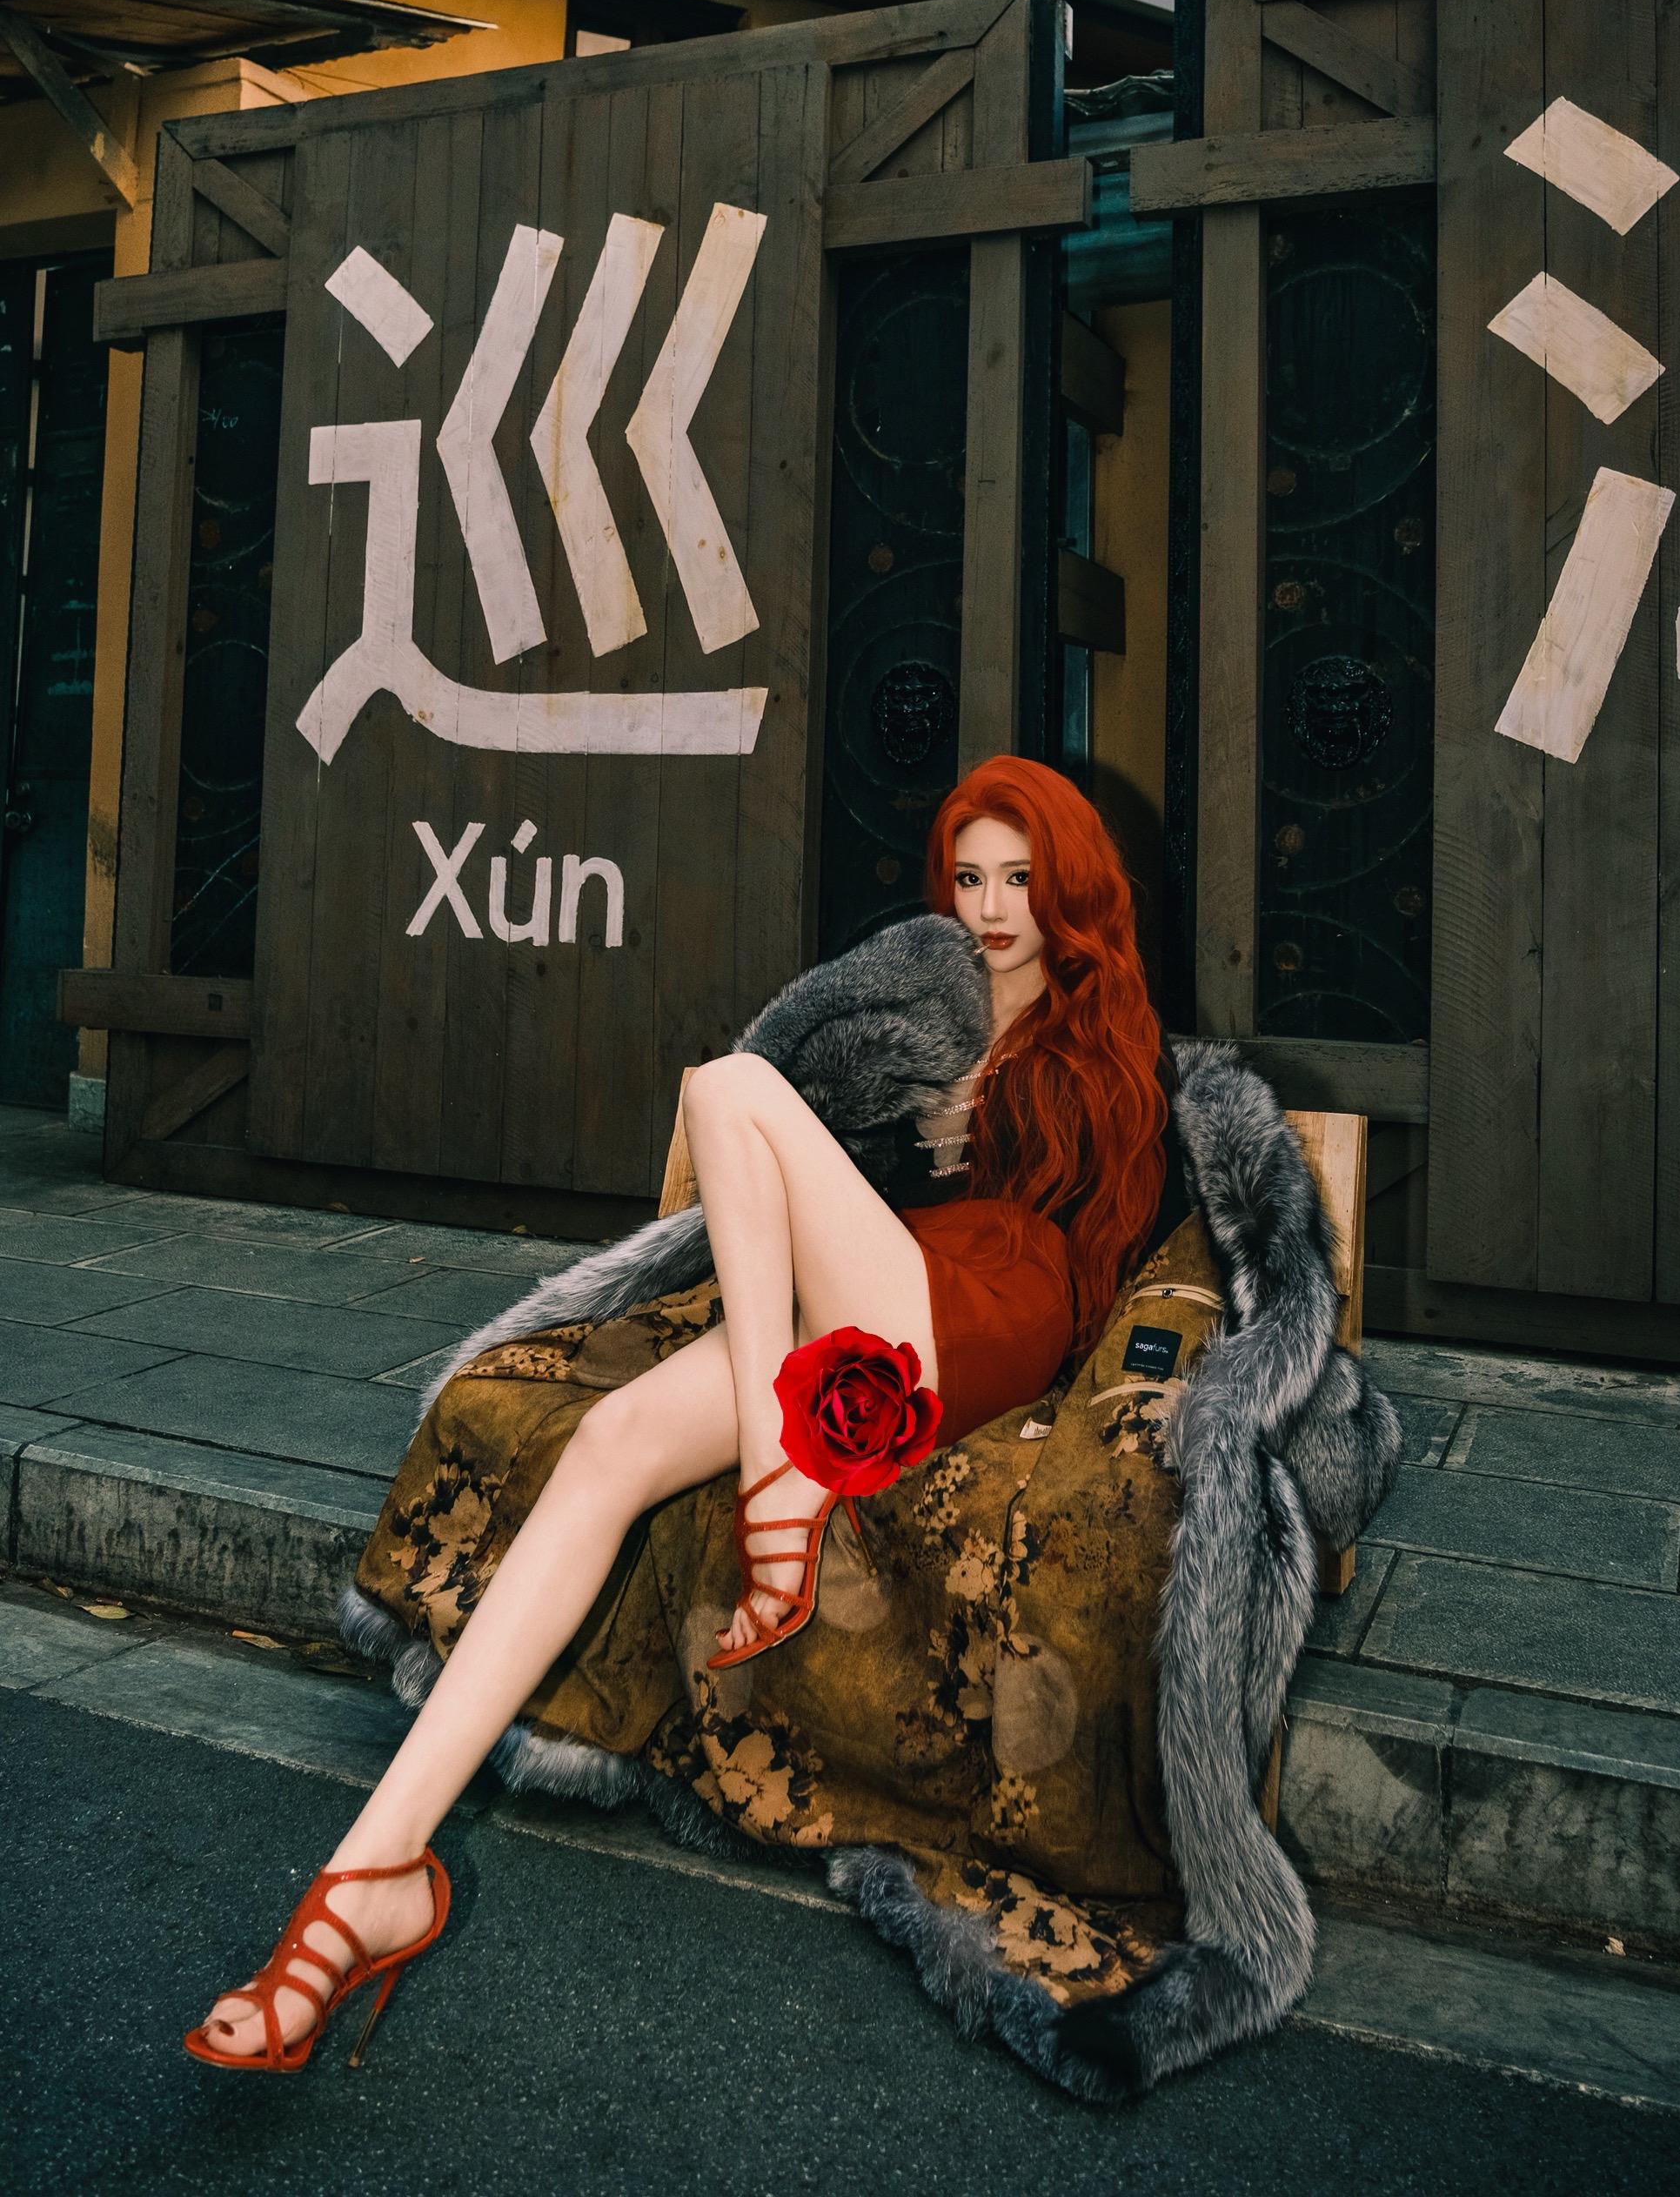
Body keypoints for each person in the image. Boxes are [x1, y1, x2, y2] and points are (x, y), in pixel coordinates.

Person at [184, 754, 1190, 2073]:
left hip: (988, 1308)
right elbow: (795, 1171)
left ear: (1070, 889)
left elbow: (1096, 1243)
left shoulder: (1104, 1034)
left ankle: (777, 1469)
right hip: (849, 1312)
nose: (993, 908)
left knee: (724, 1083)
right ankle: (372, 1876)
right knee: (609, 1444)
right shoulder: (912, 1010)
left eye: (1020, 878)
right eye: (969, 878)